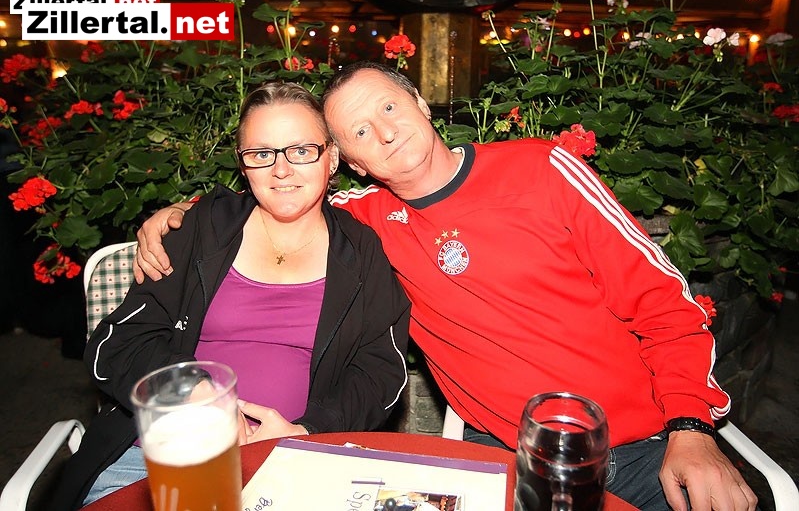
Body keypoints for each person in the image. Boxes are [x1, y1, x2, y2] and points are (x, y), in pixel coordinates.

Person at [134, 63, 757, 511]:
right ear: (349, 162)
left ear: (422, 104)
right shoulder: (364, 221)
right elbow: (279, 190)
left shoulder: (542, 170)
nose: (383, 132)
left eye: (388, 108)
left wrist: (692, 430)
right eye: (358, 132)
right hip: (513, 460)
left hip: (650, 445)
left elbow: (668, 307)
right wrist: (181, 215)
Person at [52, 80, 410, 510]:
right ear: (243, 165)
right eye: (261, 154)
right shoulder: (200, 229)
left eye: (301, 150)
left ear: (331, 157)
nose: (281, 170)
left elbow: (380, 371)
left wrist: (308, 431)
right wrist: (193, 389)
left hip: (295, 463)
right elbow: (117, 345)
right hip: (162, 457)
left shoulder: (361, 249)